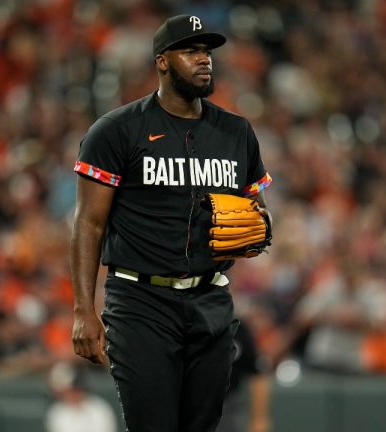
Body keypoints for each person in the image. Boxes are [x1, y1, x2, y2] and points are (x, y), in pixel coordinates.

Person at [69, 14, 273, 432]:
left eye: (207, 51)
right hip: (140, 302)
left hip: (210, 303)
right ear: (162, 61)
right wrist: (83, 309)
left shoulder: (236, 132)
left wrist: (259, 225)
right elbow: (88, 224)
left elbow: (258, 208)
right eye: (191, 51)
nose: (204, 60)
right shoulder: (116, 131)